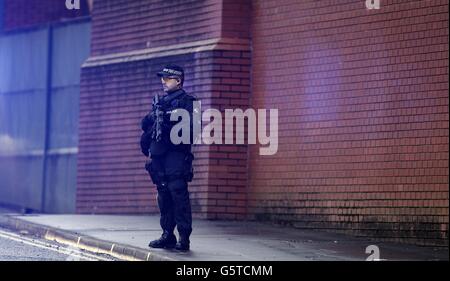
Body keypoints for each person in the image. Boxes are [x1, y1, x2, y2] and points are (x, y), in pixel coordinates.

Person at [140, 64, 196, 251]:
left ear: (178, 80)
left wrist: (170, 124)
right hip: (159, 156)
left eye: (167, 78)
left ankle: (184, 237)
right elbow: (146, 125)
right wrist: (153, 119)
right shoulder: (160, 103)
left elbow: (192, 132)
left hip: (176, 155)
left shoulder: (190, 102)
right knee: (163, 195)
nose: (163, 81)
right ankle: (167, 235)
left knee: (177, 193)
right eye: (162, 78)